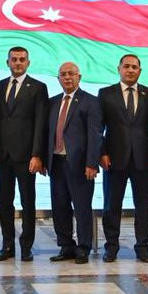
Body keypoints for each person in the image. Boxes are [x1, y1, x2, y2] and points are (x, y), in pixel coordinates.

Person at [98, 53, 148, 263]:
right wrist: (102, 153)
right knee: (111, 206)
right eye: (126, 66)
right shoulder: (106, 94)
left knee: (143, 206)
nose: (130, 70)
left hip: (144, 159)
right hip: (113, 160)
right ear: (119, 69)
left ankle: (142, 247)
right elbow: (98, 127)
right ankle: (111, 247)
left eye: (134, 67)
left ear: (140, 71)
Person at [0, 46, 47, 262]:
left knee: (27, 202)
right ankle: (7, 245)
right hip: (3, 155)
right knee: (4, 202)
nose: (17, 63)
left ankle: (26, 246)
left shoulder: (38, 88)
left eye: (22, 59)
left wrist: (37, 154)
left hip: (26, 156)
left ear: (28, 63)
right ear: (7, 62)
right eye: (14, 59)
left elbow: (40, 123)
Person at [46, 62, 102, 264]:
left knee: (82, 207)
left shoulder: (90, 101)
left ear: (79, 77)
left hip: (80, 165)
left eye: (71, 74)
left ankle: (83, 247)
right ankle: (66, 246)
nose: (67, 77)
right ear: (58, 78)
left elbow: (95, 135)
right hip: (56, 163)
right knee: (59, 206)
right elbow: (47, 133)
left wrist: (92, 163)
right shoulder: (52, 103)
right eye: (63, 74)